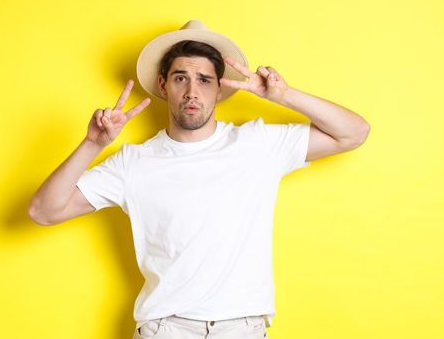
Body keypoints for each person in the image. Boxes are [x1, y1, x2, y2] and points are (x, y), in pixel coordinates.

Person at [28, 20, 370, 339]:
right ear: (164, 85)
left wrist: (282, 96)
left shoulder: (258, 144)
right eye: (180, 78)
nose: (193, 91)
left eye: (205, 80)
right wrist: (93, 144)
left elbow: (353, 133)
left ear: (220, 87)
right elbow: (43, 211)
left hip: (243, 327)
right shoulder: (133, 163)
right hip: (167, 328)